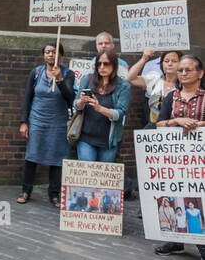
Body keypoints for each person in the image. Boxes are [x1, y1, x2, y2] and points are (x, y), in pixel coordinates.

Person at [152, 52, 205, 260]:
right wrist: (176, 121)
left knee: (198, 198)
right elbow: (158, 124)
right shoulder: (171, 97)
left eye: (188, 69)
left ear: (200, 73)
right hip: (173, 158)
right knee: (175, 195)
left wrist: (197, 125)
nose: (183, 73)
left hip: (199, 159)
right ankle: (176, 241)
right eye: (181, 70)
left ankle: (202, 247)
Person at [17, 42, 74, 207]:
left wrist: (60, 80)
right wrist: (24, 122)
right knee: (32, 155)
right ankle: (25, 190)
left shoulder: (67, 74)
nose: (50, 55)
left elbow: (70, 99)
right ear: (44, 55)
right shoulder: (36, 73)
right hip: (37, 120)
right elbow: (28, 98)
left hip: (58, 121)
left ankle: (54, 194)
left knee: (57, 157)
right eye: (47, 52)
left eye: (54, 52)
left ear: (60, 55)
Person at [73, 50, 131, 163]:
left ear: (114, 65)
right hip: (86, 137)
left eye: (106, 63)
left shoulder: (123, 86)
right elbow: (76, 105)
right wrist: (81, 101)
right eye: (99, 64)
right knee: (87, 174)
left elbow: (120, 113)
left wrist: (99, 108)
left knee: (103, 178)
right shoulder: (88, 79)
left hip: (108, 140)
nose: (102, 67)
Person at [128, 49, 180, 127]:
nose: (169, 64)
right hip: (154, 129)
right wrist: (144, 59)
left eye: (174, 61)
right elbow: (130, 78)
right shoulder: (155, 80)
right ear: (161, 64)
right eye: (166, 61)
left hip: (177, 131)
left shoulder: (186, 85)